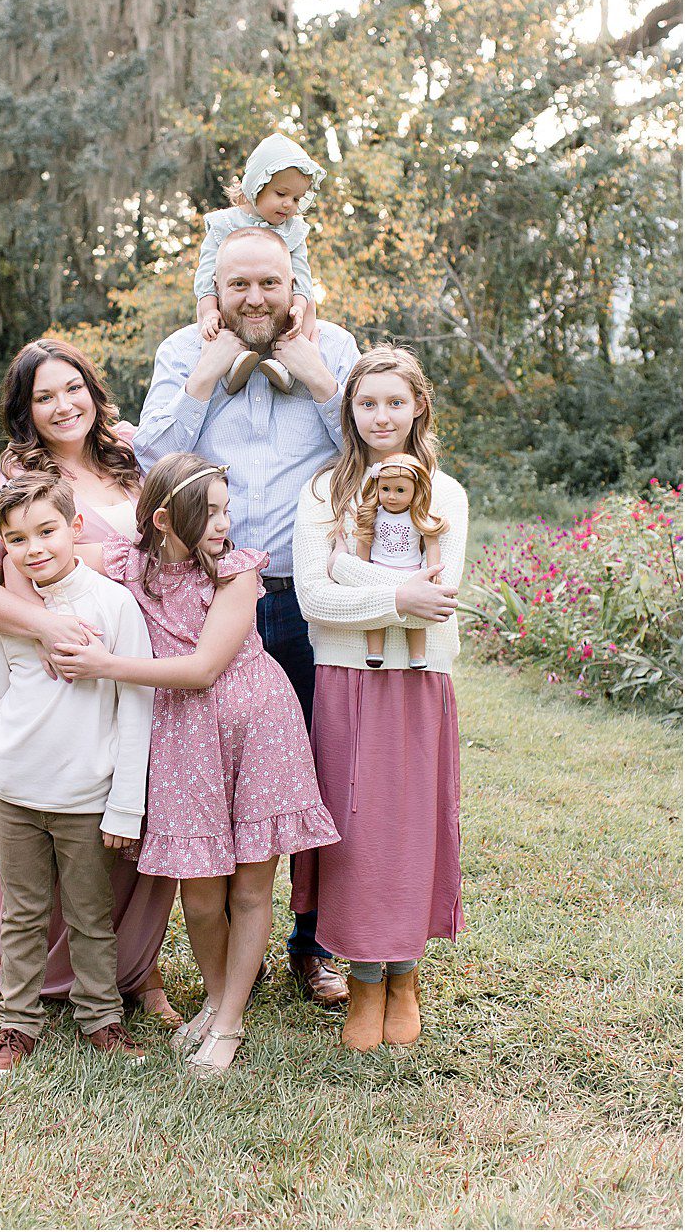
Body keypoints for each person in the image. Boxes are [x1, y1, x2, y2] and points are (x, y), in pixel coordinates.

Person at [134, 228, 360, 1008]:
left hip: (304, 597)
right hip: (202, 601)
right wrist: (199, 382)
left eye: (269, 282)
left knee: (317, 772)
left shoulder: (333, 345)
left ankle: (315, 945)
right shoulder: (178, 352)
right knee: (212, 773)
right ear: (216, 291)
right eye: (239, 286)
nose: (255, 298)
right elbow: (149, 464)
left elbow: (372, 450)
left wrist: (320, 382)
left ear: (294, 281)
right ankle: (235, 953)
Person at [58, 453, 340, 1074]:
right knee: (202, 894)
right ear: (162, 518)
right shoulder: (127, 568)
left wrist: (106, 666)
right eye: (207, 511)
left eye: (225, 509)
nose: (222, 523)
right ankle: (217, 1001)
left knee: (249, 886)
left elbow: (202, 668)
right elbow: (37, 563)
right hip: (185, 744)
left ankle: (231, 1026)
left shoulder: (235, 574)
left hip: (256, 730)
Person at [0, 338, 178, 1025]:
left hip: (148, 663)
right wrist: (45, 628)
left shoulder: (133, 455)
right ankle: (46, 980)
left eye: (72, 388)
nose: (62, 405)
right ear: (24, 410)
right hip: (69, 670)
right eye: (43, 396)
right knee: (75, 821)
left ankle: (138, 968)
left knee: (136, 820)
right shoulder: (15, 479)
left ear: (93, 389)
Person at [292, 344, 468, 1053]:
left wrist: (361, 589)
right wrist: (395, 593)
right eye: (368, 403)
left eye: (395, 401)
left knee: (412, 827)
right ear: (350, 411)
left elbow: (440, 600)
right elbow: (314, 599)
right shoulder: (323, 492)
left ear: (418, 406)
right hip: (345, 679)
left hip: (421, 682)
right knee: (357, 831)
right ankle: (365, 979)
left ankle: (405, 976)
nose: (381, 416)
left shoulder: (444, 493)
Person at [0, 472, 155, 1076]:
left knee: (88, 913)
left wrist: (126, 804)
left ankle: (101, 1017)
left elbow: (136, 704)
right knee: (21, 913)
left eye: (47, 531)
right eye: (17, 539)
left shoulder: (113, 604)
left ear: (76, 529)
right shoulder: (11, 615)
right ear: (4, 547)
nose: (35, 549)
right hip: (15, 793)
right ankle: (17, 1024)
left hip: (85, 797)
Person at [194, 133, 326, 393]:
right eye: (281, 194)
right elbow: (206, 274)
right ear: (256, 185)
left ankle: (288, 365)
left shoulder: (293, 231)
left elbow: (301, 275)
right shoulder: (224, 225)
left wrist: (298, 306)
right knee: (211, 309)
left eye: (297, 199)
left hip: (279, 314)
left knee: (308, 303)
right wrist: (210, 310)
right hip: (229, 311)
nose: (289, 204)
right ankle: (228, 366)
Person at [351, 455, 447, 669]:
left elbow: (432, 544)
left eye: (400, 490)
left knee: (416, 615)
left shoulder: (418, 517)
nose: (391, 496)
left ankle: (417, 654)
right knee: (375, 611)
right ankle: (374, 651)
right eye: (385, 489)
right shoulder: (374, 515)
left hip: (410, 573)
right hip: (377, 571)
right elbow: (364, 541)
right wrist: (359, 567)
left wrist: (433, 571)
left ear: (415, 492)